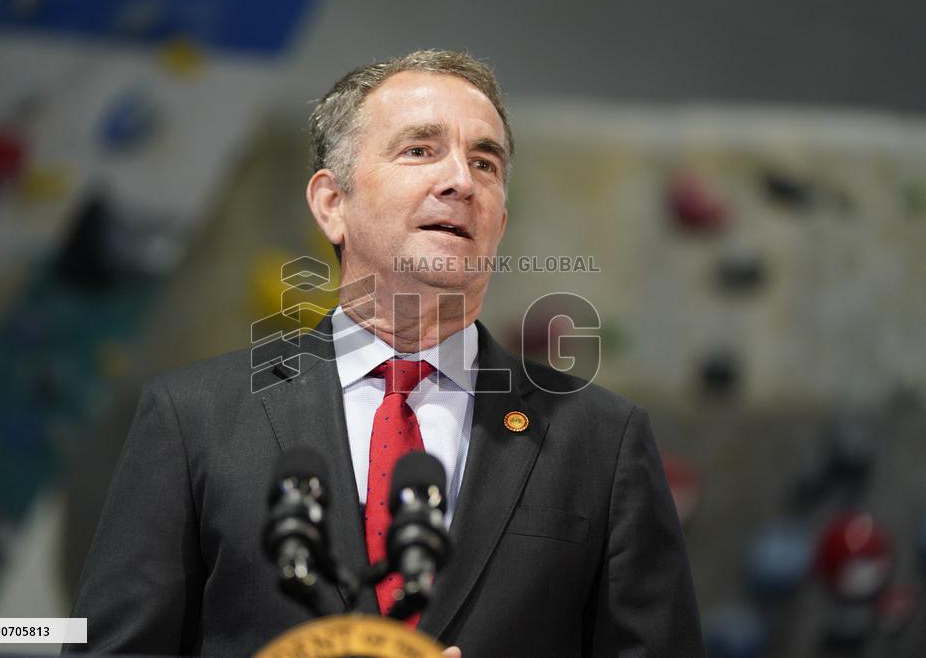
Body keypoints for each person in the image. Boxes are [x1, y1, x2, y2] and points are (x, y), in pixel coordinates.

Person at [66, 50, 704, 657]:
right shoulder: (194, 418)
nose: (460, 180)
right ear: (331, 203)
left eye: (486, 163)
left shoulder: (601, 438)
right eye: (420, 150)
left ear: (501, 223)